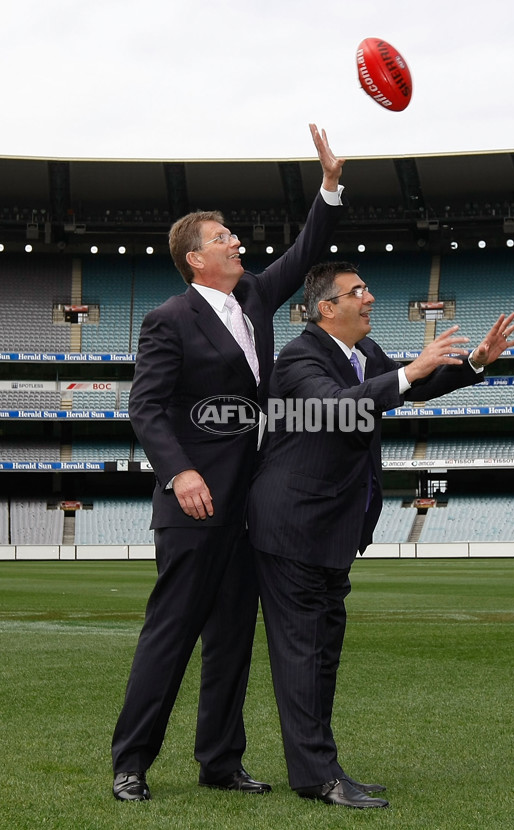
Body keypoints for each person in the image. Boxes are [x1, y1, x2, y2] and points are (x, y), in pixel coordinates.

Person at [111, 126, 346, 802]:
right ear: (194, 257)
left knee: (233, 641)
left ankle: (220, 761)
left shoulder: (253, 298)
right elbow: (147, 406)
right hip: (192, 506)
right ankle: (131, 761)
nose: (236, 242)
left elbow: (308, 249)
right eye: (223, 238)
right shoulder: (168, 320)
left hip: (250, 506)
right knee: (171, 634)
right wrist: (179, 472)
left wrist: (329, 186)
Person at [247, 261, 514, 809]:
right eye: (358, 291)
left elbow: (409, 389)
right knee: (303, 655)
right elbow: (334, 408)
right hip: (293, 528)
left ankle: (321, 768)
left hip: (330, 529)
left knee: (322, 654)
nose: (370, 297)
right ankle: (317, 777)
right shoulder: (299, 357)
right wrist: (410, 371)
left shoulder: (363, 355)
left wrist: (472, 362)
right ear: (326, 308)